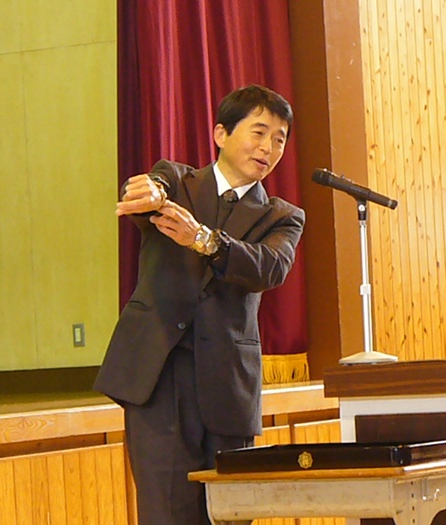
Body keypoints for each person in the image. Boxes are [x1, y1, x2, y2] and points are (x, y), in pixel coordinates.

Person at [94, 84, 305, 525]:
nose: (268, 148)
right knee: (166, 510)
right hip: (158, 373)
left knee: (231, 512)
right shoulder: (175, 181)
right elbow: (147, 192)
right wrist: (147, 191)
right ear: (221, 134)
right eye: (259, 133)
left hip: (228, 382)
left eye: (279, 139)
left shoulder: (282, 216)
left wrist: (204, 240)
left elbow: (269, 267)